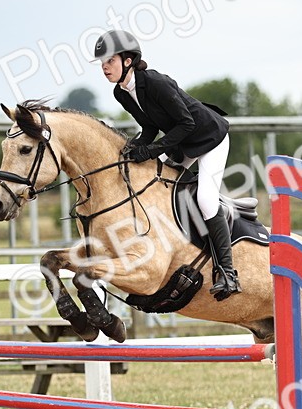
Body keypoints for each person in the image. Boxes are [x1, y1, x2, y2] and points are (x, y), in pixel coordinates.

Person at [91, 29, 240, 300]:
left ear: (127, 61)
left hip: (210, 138)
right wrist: (133, 147)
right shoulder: (121, 93)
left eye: (109, 61)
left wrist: (151, 150)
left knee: (206, 199)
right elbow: (149, 127)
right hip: (181, 143)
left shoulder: (155, 82)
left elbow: (187, 123)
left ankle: (228, 273)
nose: (104, 67)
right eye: (101, 62)